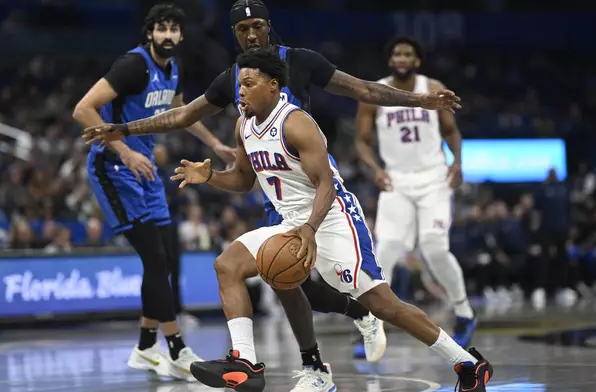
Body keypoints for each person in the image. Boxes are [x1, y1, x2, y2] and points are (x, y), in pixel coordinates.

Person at [82, 0, 462, 361]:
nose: (251, 35)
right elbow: (182, 115)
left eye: (257, 27)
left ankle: (397, 330)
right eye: (243, 29)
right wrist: (123, 129)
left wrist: (419, 101)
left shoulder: (299, 61)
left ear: (269, 28)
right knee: (286, 282)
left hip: (317, 188)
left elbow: (363, 88)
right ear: (234, 33)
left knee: (368, 296)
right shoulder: (233, 79)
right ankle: (313, 360)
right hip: (275, 194)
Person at [171, 49, 493, 392]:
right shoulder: (243, 126)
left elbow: (325, 183)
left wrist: (310, 230)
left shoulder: (296, 122)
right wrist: (209, 177)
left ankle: (467, 363)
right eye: (239, 85)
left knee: (383, 304)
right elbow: (242, 180)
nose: (241, 92)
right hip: (292, 220)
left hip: (334, 219)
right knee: (227, 264)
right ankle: (246, 363)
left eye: (249, 84)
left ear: (273, 86)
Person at [72, 4, 237, 379]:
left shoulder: (174, 70)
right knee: (156, 261)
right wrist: (125, 150)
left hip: (146, 170)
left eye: (173, 29)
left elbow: (182, 115)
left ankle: (146, 347)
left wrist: (216, 145)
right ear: (149, 34)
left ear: (180, 36)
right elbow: (83, 109)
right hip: (114, 167)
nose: (167, 34)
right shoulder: (133, 66)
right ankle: (176, 348)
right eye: (160, 28)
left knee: (168, 257)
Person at [354, 36, 477, 351]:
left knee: (435, 247)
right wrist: (375, 169)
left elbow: (450, 130)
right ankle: (372, 325)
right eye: (397, 53)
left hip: (433, 178)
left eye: (408, 53)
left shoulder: (431, 85)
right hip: (396, 180)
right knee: (385, 251)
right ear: (390, 59)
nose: (402, 57)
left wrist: (458, 162)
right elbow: (362, 141)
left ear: (417, 60)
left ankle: (464, 313)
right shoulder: (375, 91)